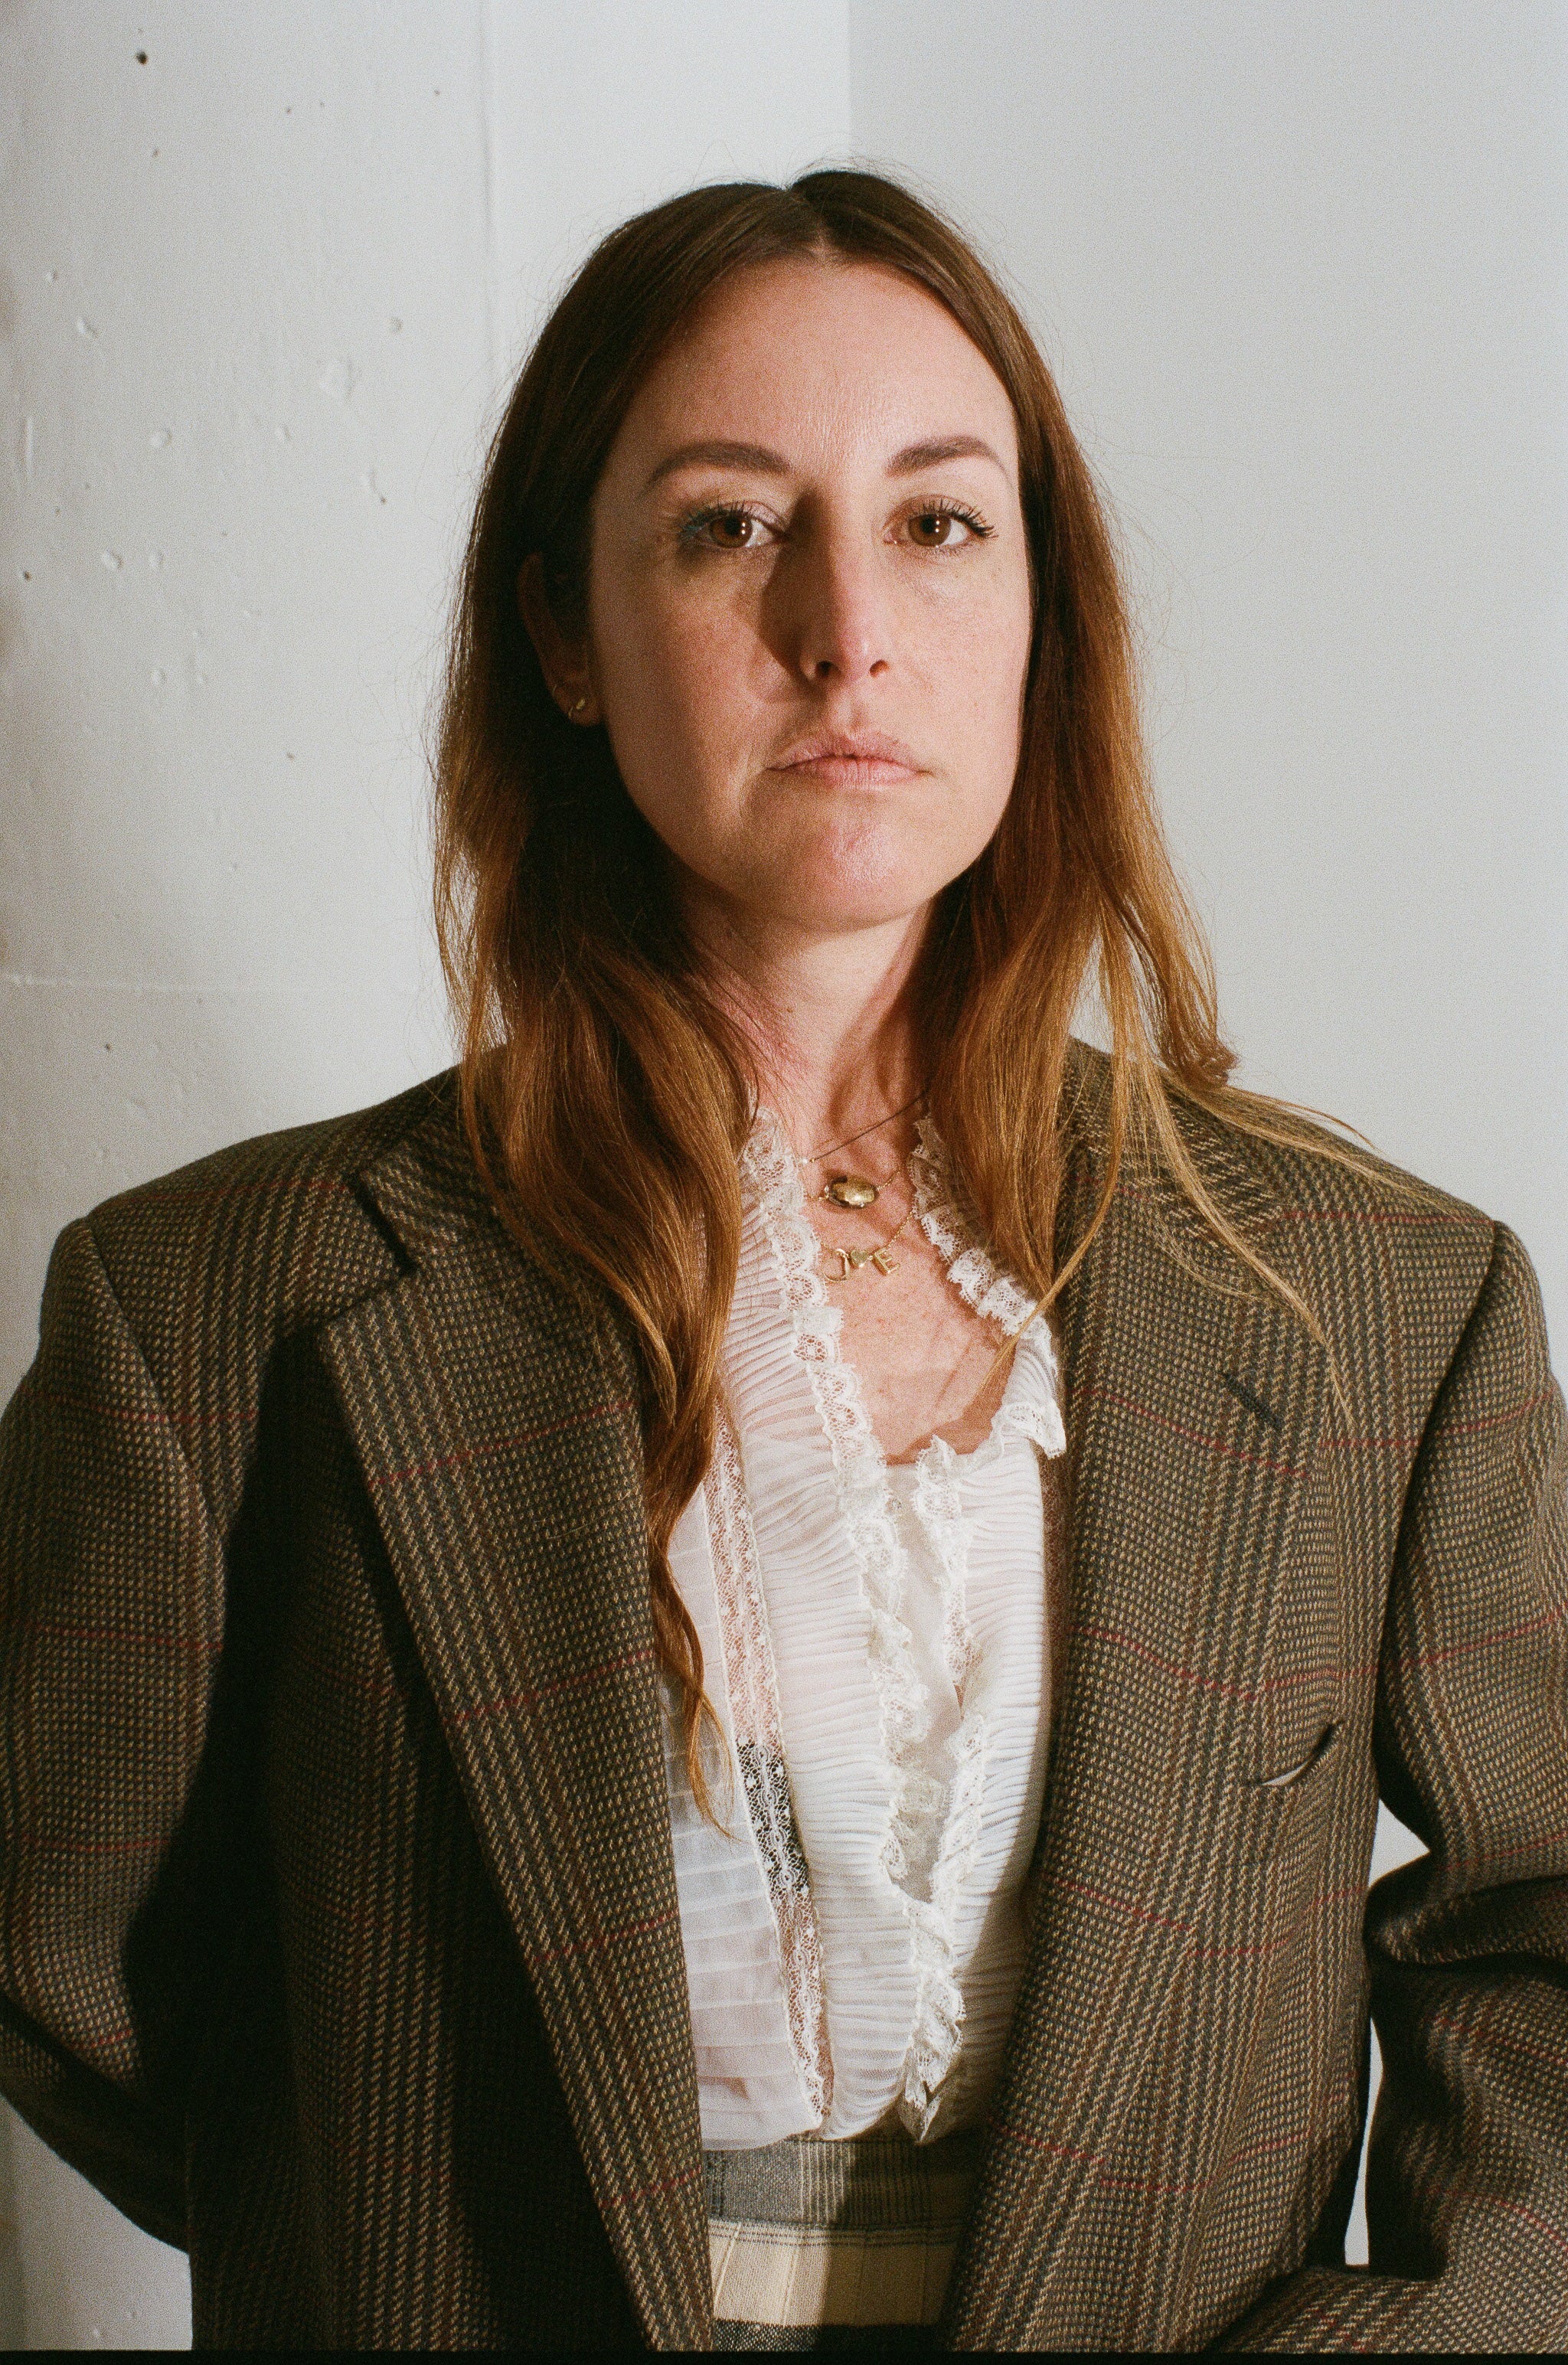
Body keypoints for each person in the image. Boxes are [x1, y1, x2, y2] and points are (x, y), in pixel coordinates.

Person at [0, 167, 1563, 2354]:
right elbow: (71, 1962)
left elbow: (1548, 1923)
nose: (850, 628)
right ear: (563, 629)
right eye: (730, 524)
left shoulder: (1389, 1302)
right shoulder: (213, 1312)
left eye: (938, 522)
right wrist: (405, 2228)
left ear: (1041, 612)